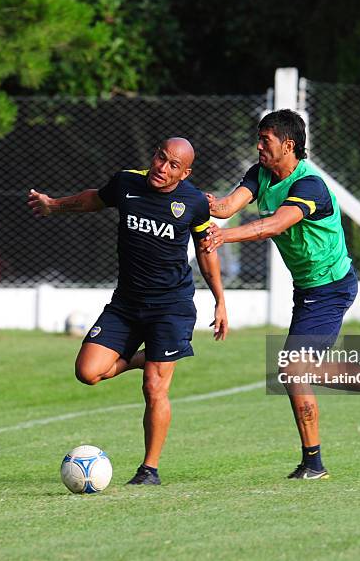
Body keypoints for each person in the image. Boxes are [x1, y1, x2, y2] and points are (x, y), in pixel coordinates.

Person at [203, 110, 360, 480]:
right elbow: (223, 207)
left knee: (294, 368)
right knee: (300, 368)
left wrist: (224, 235)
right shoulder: (260, 175)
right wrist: (183, 195)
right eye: (258, 138)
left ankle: (314, 463)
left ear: (288, 145)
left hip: (331, 288)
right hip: (307, 289)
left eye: (265, 140)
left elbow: (274, 224)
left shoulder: (310, 186)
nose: (258, 146)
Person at [28, 137, 228, 485]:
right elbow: (94, 199)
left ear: (186, 173)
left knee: (154, 387)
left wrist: (220, 300)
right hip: (127, 303)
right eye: (160, 158)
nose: (162, 169)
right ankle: (150, 356)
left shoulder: (194, 203)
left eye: (172, 166)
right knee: (88, 372)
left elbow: (206, 249)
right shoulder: (127, 182)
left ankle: (149, 469)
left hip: (171, 306)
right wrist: (54, 205)